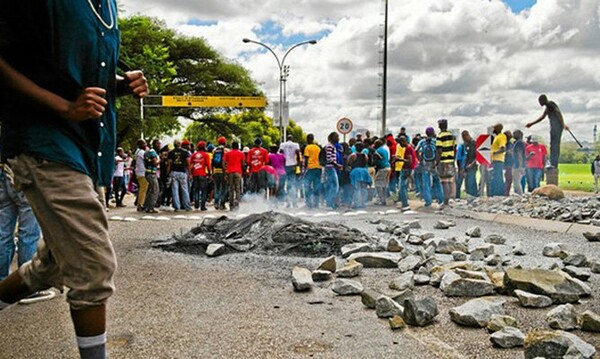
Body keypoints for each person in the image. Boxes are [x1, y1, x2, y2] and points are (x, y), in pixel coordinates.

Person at [0, 2, 149, 358]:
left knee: (51, 264)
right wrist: (64, 107)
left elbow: (73, 73)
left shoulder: (107, 6)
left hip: (88, 149)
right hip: (45, 142)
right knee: (93, 265)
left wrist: (121, 85)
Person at [527, 94, 568, 169]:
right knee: (553, 145)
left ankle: (554, 163)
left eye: (539, 101)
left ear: (543, 100)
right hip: (554, 127)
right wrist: (532, 123)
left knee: (555, 145)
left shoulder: (550, 104)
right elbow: (542, 117)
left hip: (557, 127)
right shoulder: (548, 106)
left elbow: (558, 113)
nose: (539, 103)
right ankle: (553, 162)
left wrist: (563, 124)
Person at [416, 127, 443, 208]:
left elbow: (416, 150)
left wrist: (420, 159)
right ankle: (441, 199)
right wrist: (437, 161)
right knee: (437, 181)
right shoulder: (436, 141)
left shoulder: (422, 141)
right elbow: (439, 151)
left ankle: (428, 201)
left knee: (426, 182)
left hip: (425, 164)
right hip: (434, 164)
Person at [436, 119, 456, 207]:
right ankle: (449, 200)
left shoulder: (440, 136)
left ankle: (445, 202)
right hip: (451, 160)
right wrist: (453, 158)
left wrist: (437, 162)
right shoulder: (452, 135)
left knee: (444, 182)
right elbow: (455, 148)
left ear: (440, 126)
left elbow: (439, 150)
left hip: (443, 161)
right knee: (450, 180)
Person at [167, 140, 191, 211]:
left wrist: (167, 173)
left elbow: (169, 164)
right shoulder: (185, 152)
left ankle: (177, 207)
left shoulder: (171, 152)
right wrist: (189, 173)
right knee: (185, 190)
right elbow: (188, 163)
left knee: (175, 190)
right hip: (182, 172)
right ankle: (187, 206)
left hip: (174, 172)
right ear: (180, 144)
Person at [348, 142, 371, 208]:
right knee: (364, 188)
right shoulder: (365, 155)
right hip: (364, 171)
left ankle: (356, 204)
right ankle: (363, 203)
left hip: (356, 172)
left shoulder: (353, 155)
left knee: (356, 188)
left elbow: (349, 163)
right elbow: (366, 163)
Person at [397, 136, 417, 211]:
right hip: (409, 168)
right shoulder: (410, 147)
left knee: (402, 187)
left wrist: (399, 159)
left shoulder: (408, 148)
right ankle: (403, 203)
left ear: (403, 141)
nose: (400, 145)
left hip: (406, 169)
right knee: (403, 187)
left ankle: (405, 204)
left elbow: (409, 161)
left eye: (400, 143)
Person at [280, 135, 301, 207]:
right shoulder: (296, 145)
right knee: (292, 184)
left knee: (284, 184)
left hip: (285, 165)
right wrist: (298, 163)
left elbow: (281, 154)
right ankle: (294, 203)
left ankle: (288, 203)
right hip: (293, 165)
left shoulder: (283, 145)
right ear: (292, 139)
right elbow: (298, 154)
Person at [189, 141, 211, 211]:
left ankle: (196, 205)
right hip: (202, 174)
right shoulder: (205, 155)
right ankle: (203, 206)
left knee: (196, 190)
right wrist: (210, 174)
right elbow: (208, 165)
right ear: (204, 147)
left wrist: (191, 174)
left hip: (195, 174)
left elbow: (190, 166)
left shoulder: (193, 155)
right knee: (204, 190)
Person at [323, 132, 342, 209]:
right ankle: (330, 204)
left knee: (330, 186)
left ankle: (330, 204)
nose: (338, 138)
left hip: (331, 168)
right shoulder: (329, 146)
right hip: (330, 168)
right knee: (334, 186)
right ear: (332, 137)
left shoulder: (331, 146)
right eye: (336, 137)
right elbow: (329, 159)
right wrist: (337, 165)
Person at [224, 141, 245, 209]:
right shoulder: (241, 153)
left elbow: (223, 162)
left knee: (231, 189)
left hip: (230, 172)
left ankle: (231, 205)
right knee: (238, 189)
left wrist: (225, 171)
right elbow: (243, 164)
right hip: (238, 172)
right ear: (238, 146)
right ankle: (237, 204)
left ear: (231, 146)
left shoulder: (228, 153)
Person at [303, 134, 322, 209]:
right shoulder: (318, 148)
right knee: (316, 185)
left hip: (310, 168)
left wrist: (304, 170)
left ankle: (308, 203)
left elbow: (306, 158)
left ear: (308, 139)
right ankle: (316, 203)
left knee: (307, 185)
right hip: (318, 168)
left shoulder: (307, 147)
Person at [143, 139, 161, 213]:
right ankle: (151, 208)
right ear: (155, 144)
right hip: (151, 174)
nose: (159, 145)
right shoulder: (152, 152)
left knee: (151, 190)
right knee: (155, 190)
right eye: (158, 144)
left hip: (149, 173)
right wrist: (161, 160)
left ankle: (146, 206)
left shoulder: (149, 152)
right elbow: (154, 163)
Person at [460, 131, 479, 199]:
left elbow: (477, 156)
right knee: (467, 183)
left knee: (472, 182)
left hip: (472, 166)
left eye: (464, 137)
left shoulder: (473, 143)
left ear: (467, 135)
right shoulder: (465, 144)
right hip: (466, 166)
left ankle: (474, 196)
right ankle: (469, 197)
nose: (463, 139)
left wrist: (472, 164)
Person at [490, 124, 507, 197]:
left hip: (498, 160)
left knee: (498, 177)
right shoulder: (496, 137)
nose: (493, 129)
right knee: (495, 177)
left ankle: (500, 193)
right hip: (495, 160)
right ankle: (496, 193)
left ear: (498, 129)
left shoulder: (501, 136)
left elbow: (503, 148)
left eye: (494, 128)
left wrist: (493, 152)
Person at [212, 137, 228, 210]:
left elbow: (212, 162)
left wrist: (212, 172)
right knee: (224, 188)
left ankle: (216, 203)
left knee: (217, 188)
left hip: (215, 171)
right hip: (223, 171)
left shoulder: (214, 150)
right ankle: (222, 204)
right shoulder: (226, 150)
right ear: (225, 143)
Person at [134, 139, 148, 211]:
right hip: (142, 172)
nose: (145, 145)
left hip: (139, 172)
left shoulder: (137, 151)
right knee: (143, 188)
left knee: (142, 188)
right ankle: (140, 204)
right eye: (144, 143)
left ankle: (140, 203)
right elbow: (147, 159)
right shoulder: (141, 152)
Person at [512, 130, 526, 195]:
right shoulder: (519, 142)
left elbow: (520, 154)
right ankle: (519, 195)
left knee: (517, 182)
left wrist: (520, 166)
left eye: (515, 133)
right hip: (518, 165)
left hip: (518, 165)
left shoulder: (519, 143)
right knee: (516, 182)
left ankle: (520, 196)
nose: (513, 134)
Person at [503, 130, 514, 196]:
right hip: (505, 164)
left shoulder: (511, 144)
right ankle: (505, 193)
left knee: (509, 180)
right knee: (507, 179)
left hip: (510, 164)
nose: (511, 135)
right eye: (509, 134)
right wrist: (507, 152)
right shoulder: (504, 143)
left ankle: (507, 193)